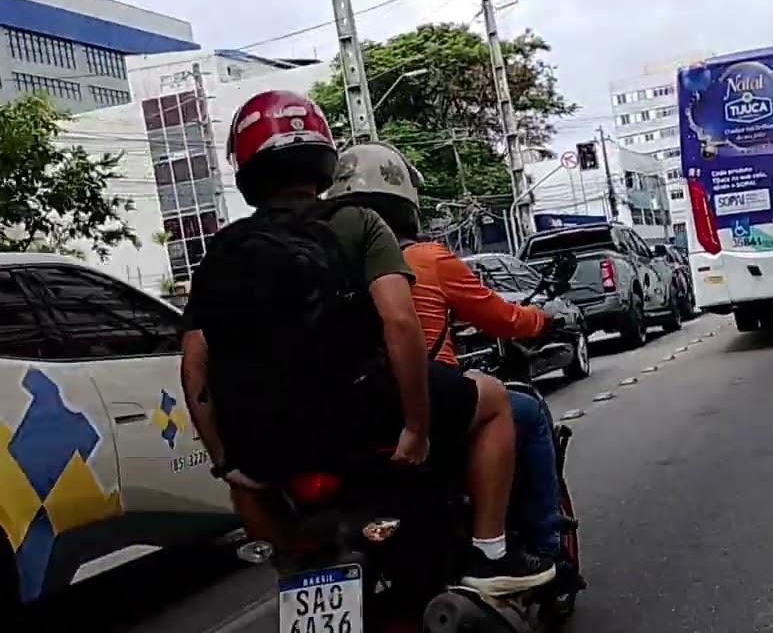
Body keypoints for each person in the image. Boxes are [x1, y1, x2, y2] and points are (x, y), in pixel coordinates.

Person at [177, 89, 553, 596]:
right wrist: (416, 429)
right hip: (366, 416)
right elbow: (400, 323)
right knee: (493, 402)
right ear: (321, 156)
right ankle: (491, 557)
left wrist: (228, 462)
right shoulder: (357, 223)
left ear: (245, 170)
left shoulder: (222, 249)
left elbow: (194, 367)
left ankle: (295, 574)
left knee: (268, 518)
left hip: (268, 441)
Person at [322, 140, 566, 561]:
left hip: (346, 416)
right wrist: (541, 320)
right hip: (428, 408)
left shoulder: (320, 261)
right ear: (404, 203)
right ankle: (542, 550)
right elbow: (501, 317)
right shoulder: (426, 258)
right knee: (525, 411)